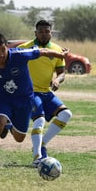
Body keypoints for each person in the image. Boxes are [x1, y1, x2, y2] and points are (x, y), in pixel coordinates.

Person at [0, 33, 68, 177]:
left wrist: (60, 55)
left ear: (6, 48)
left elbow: (42, 51)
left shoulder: (19, 55)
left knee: (19, 138)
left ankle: (8, 125)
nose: (1, 54)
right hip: (4, 99)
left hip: (25, 101)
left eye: (3, 50)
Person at [17, 20, 73, 167]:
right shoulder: (25, 48)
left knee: (66, 114)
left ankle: (42, 144)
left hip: (46, 93)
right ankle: (37, 158)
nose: (43, 34)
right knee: (39, 120)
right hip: (29, 93)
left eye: (46, 31)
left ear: (51, 33)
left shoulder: (57, 50)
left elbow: (62, 73)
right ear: (35, 33)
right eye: (40, 31)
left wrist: (57, 80)